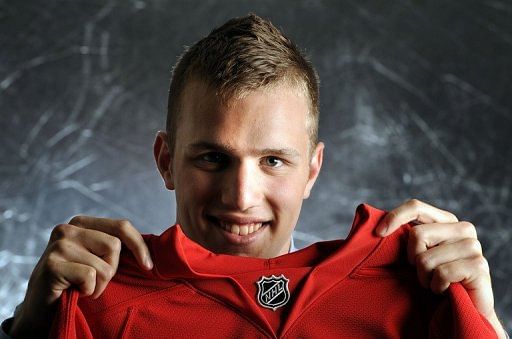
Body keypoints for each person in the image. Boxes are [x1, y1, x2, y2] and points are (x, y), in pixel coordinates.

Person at [2, 14, 507, 338]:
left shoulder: (412, 289)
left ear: (312, 171)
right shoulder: (101, 295)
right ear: (165, 161)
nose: (241, 196)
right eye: (212, 159)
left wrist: (480, 322)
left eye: (273, 161)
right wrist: (29, 330)